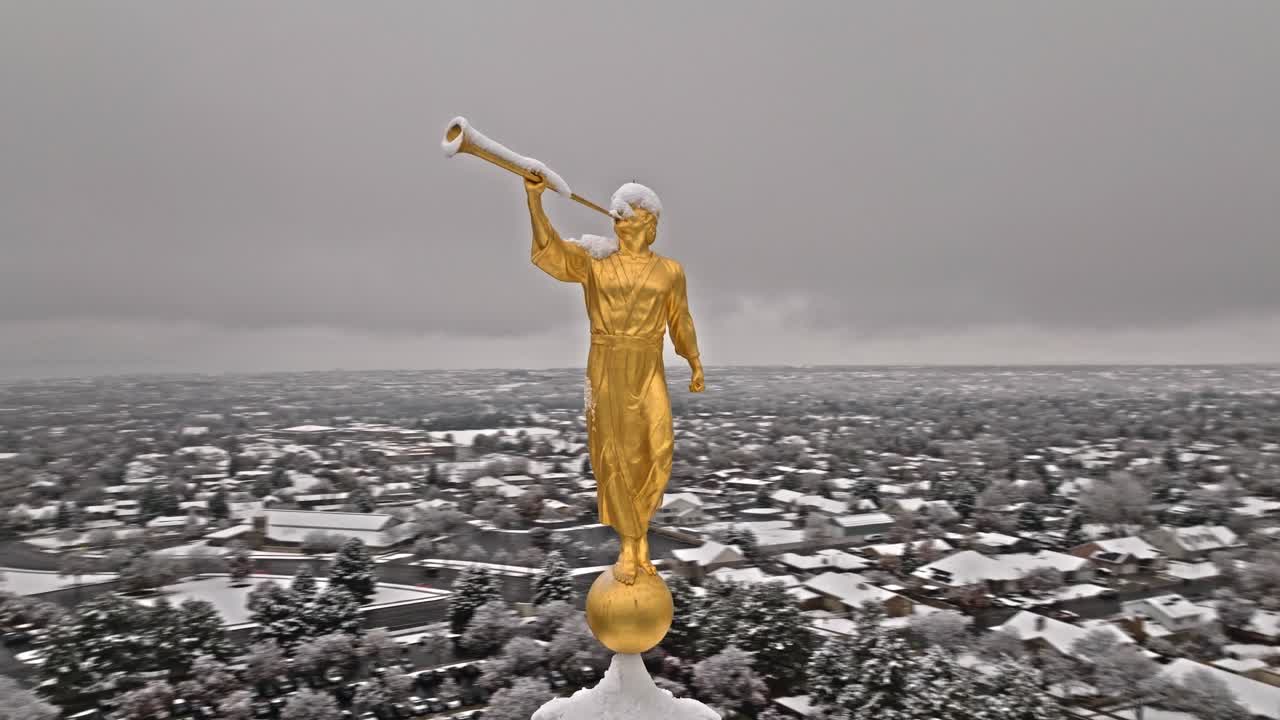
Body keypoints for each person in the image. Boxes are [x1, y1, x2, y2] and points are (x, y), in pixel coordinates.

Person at [526, 173, 704, 584]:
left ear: (650, 222)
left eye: (629, 213)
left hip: (649, 363)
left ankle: (637, 530)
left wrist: (693, 360)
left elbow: (681, 319)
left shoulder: (669, 272)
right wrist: (535, 202)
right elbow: (551, 253)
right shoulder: (596, 260)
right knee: (616, 457)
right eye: (617, 213)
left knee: (658, 450)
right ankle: (632, 546)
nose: (619, 218)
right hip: (606, 363)